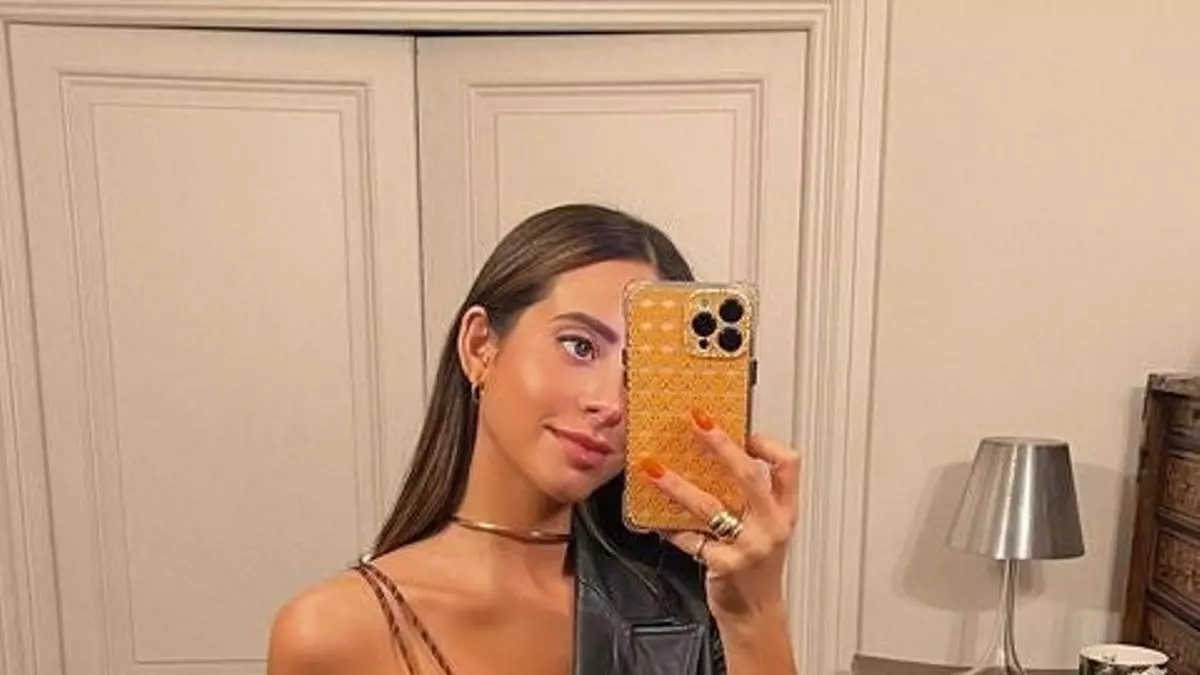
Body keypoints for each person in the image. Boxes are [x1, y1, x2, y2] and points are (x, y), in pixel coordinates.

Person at [267, 204, 802, 675]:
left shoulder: (690, 617)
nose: (611, 404)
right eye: (580, 346)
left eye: (641, 374)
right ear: (480, 346)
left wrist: (756, 618)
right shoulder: (333, 633)